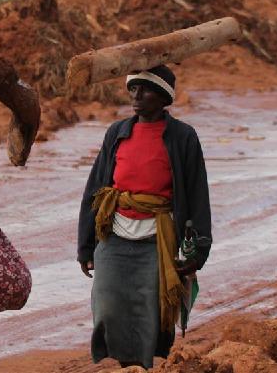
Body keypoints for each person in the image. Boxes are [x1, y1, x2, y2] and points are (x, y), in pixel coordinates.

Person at [77, 65, 212, 368]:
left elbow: (198, 195)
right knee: (107, 307)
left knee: (151, 315)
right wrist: (85, 247)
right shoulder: (117, 132)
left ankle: (147, 366)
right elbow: (95, 189)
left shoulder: (183, 137)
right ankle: (112, 364)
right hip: (114, 236)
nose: (136, 96)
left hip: (157, 241)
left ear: (164, 97)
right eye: (133, 89)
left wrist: (198, 250)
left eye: (146, 89)